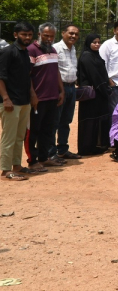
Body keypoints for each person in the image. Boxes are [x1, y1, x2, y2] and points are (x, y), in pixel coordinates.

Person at [26, 23, 65, 172]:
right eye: (46, 35)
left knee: (47, 130)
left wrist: (61, 91)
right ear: (39, 34)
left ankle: (44, 158)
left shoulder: (53, 50)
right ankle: (32, 161)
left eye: (51, 36)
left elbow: (56, 72)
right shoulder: (31, 50)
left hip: (52, 97)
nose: (49, 39)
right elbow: (27, 75)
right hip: (38, 99)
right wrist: (33, 95)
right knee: (33, 131)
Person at [0, 22, 36, 180]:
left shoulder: (25, 52)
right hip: (11, 102)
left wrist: (32, 94)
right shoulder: (8, 52)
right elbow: (1, 77)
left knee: (19, 136)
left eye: (29, 35)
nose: (27, 37)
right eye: (24, 34)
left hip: (24, 101)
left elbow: (27, 76)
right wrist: (5, 98)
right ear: (15, 35)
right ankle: (5, 170)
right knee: (9, 137)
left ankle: (17, 165)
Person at [76, 33, 113, 156]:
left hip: (99, 93)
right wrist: (105, 89)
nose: (97, 44)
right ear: (88, 43)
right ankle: (86, 148)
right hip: (92, 94)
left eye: (98, 42)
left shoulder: (95, 55)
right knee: (89, 120)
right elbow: (94, 76)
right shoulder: (87, 56)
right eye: (94, 42)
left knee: (98, 120)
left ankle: (95, 145)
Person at [52, 23, 80, 160]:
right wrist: (60, 90)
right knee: (54, 121)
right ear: (63, 33)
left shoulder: (73, 49)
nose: (73, 36)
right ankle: (51, 153)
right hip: (59, 88)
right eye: (71, 33)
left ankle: (62, 150)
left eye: (76, 34)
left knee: (66, 120)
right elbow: (53, 71)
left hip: (71, 87)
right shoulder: (55, 48)